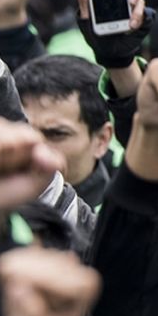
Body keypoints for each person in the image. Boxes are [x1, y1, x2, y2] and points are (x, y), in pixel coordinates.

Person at [14, 55, 115, 207]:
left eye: (55, 134)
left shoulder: (117, 222)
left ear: (102, 140)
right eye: (23, 131)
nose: (36, 149)